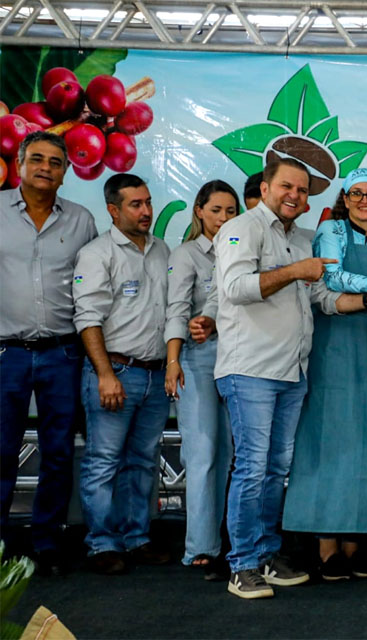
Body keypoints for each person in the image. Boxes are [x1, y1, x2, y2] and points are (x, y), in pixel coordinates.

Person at [214, 158, 367, 599]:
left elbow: (324, 299)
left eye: (303, 190)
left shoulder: (302, 239)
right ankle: (241, 565)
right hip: (250, 369)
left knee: (275, 470)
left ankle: (267, 553)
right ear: (266, 186)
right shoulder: (240, 228)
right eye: (286, 186)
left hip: (292, 369)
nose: (295, 195)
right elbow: (236, 288)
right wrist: (296, 271)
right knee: (253, 468)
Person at [283, 168, 367, 582]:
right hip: (337, 342)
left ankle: (356, 545)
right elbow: (331, 277)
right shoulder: (331, 230)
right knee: (331, 440)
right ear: (344, 197)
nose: (364, 200)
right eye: (356, 193)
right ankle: (326, 547)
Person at [0, 131, 98, 575]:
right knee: (1, 451)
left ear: (67, 170)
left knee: (58, 451)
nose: (45, 167)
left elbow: (93, 289)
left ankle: (47, 542)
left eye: (55, 162)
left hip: (63, 354)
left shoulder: (81, 220)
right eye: (36, 159)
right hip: (6, 354)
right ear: (19, 163)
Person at [72, 173, 172, 575]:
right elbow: (87, 318)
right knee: (103, 461)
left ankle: (137, 539)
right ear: (113, 210)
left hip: (155, 374)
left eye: (147, 202)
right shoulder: (96, 254)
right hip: (115, 372)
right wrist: (104, 375)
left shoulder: (163, 250)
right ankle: (102, 544)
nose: (146, 211)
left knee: (143, 461)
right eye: (135, 204)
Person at [164, 180, 239, 580]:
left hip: (242, 356)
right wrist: (173, 359)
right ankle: (201, 546)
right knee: (204, 453)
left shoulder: (242, 248)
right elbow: (176, 310)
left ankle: (232, 541)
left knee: (234, 456)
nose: (224, 218)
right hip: (197, 360)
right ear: (198, 211)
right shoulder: (185, 253)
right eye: (216, 211)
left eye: (231, 211)